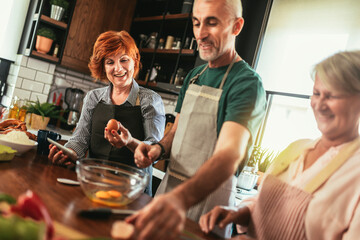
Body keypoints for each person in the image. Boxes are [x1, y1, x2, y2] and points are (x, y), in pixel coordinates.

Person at [126, 0, 267, 239]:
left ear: (236, 26)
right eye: (196, 22)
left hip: (209, 205)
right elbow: (175, 133)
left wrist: (180, 199)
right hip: (170, 191)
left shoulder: (247, 83)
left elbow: (229, 156)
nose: (200, 33)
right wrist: (157, 150)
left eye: (211, 23)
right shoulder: (193, 77)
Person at [199, 50, 360, 240]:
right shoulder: (296, 148)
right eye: (316, 93)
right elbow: (261, 202)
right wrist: (237, 211)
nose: (320, 104)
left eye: (332, 96)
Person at [48, 31, 165, 196]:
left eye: (124, 60)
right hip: (93, 182)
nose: (118, 68)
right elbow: (80, 140)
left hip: (133, 190)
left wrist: (129, 142)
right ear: (103, 66)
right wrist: (66, 153)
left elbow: (154, 151)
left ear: (135, 61)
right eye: (110, 62)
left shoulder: (150, 100)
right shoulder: (93, 98)